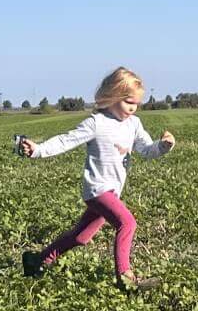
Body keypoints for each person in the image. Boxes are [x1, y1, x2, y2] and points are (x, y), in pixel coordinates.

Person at [20, 67, 175, 289]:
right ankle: (126, 279)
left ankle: (37, 261)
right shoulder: (97, 123)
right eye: (128, 102)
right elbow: (66, 140)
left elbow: (147, 150)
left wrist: (163, 146)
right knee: (127, 223)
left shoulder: (133, 124)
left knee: (81, 236)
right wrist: (38, 149)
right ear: (113, 96)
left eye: (136, 104)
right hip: (97, 190)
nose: (132, 108)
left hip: (112, 191)